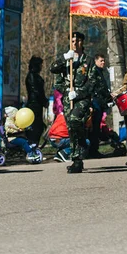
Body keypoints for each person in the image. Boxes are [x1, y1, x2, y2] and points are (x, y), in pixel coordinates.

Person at [50, 31, 97, 174]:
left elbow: (92, 81)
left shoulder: (88, 61)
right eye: (72, 40)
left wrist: (79, 92)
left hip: (82, 99)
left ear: (82, 42)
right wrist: (64, 59)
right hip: (68, 99)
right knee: (71, 126)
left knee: (75, 120)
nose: (75, 43)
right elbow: (54, 74)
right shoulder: (65, 59)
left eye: (78, 40)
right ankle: (77, 160)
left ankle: (80, 146)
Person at [89, 54, 113, 159]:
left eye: (104, 61)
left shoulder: (100, 71)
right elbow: (97, 88)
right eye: (101, 61)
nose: (103, 63)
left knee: (96, 127)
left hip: (100, 102)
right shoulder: (94, 71)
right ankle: (92, 150)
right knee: (94, 128)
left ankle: (94, 149)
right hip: (95, 102)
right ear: (96, 61)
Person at [25, 56, 49, 146]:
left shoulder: (34, 76)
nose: (41, 67)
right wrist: (44, 101)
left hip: (37, 104)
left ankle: (35, 144)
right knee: (36, 127)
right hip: (34, 105)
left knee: (38, 126)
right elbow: (36, 91)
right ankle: (33, 144)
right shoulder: (32, 76)